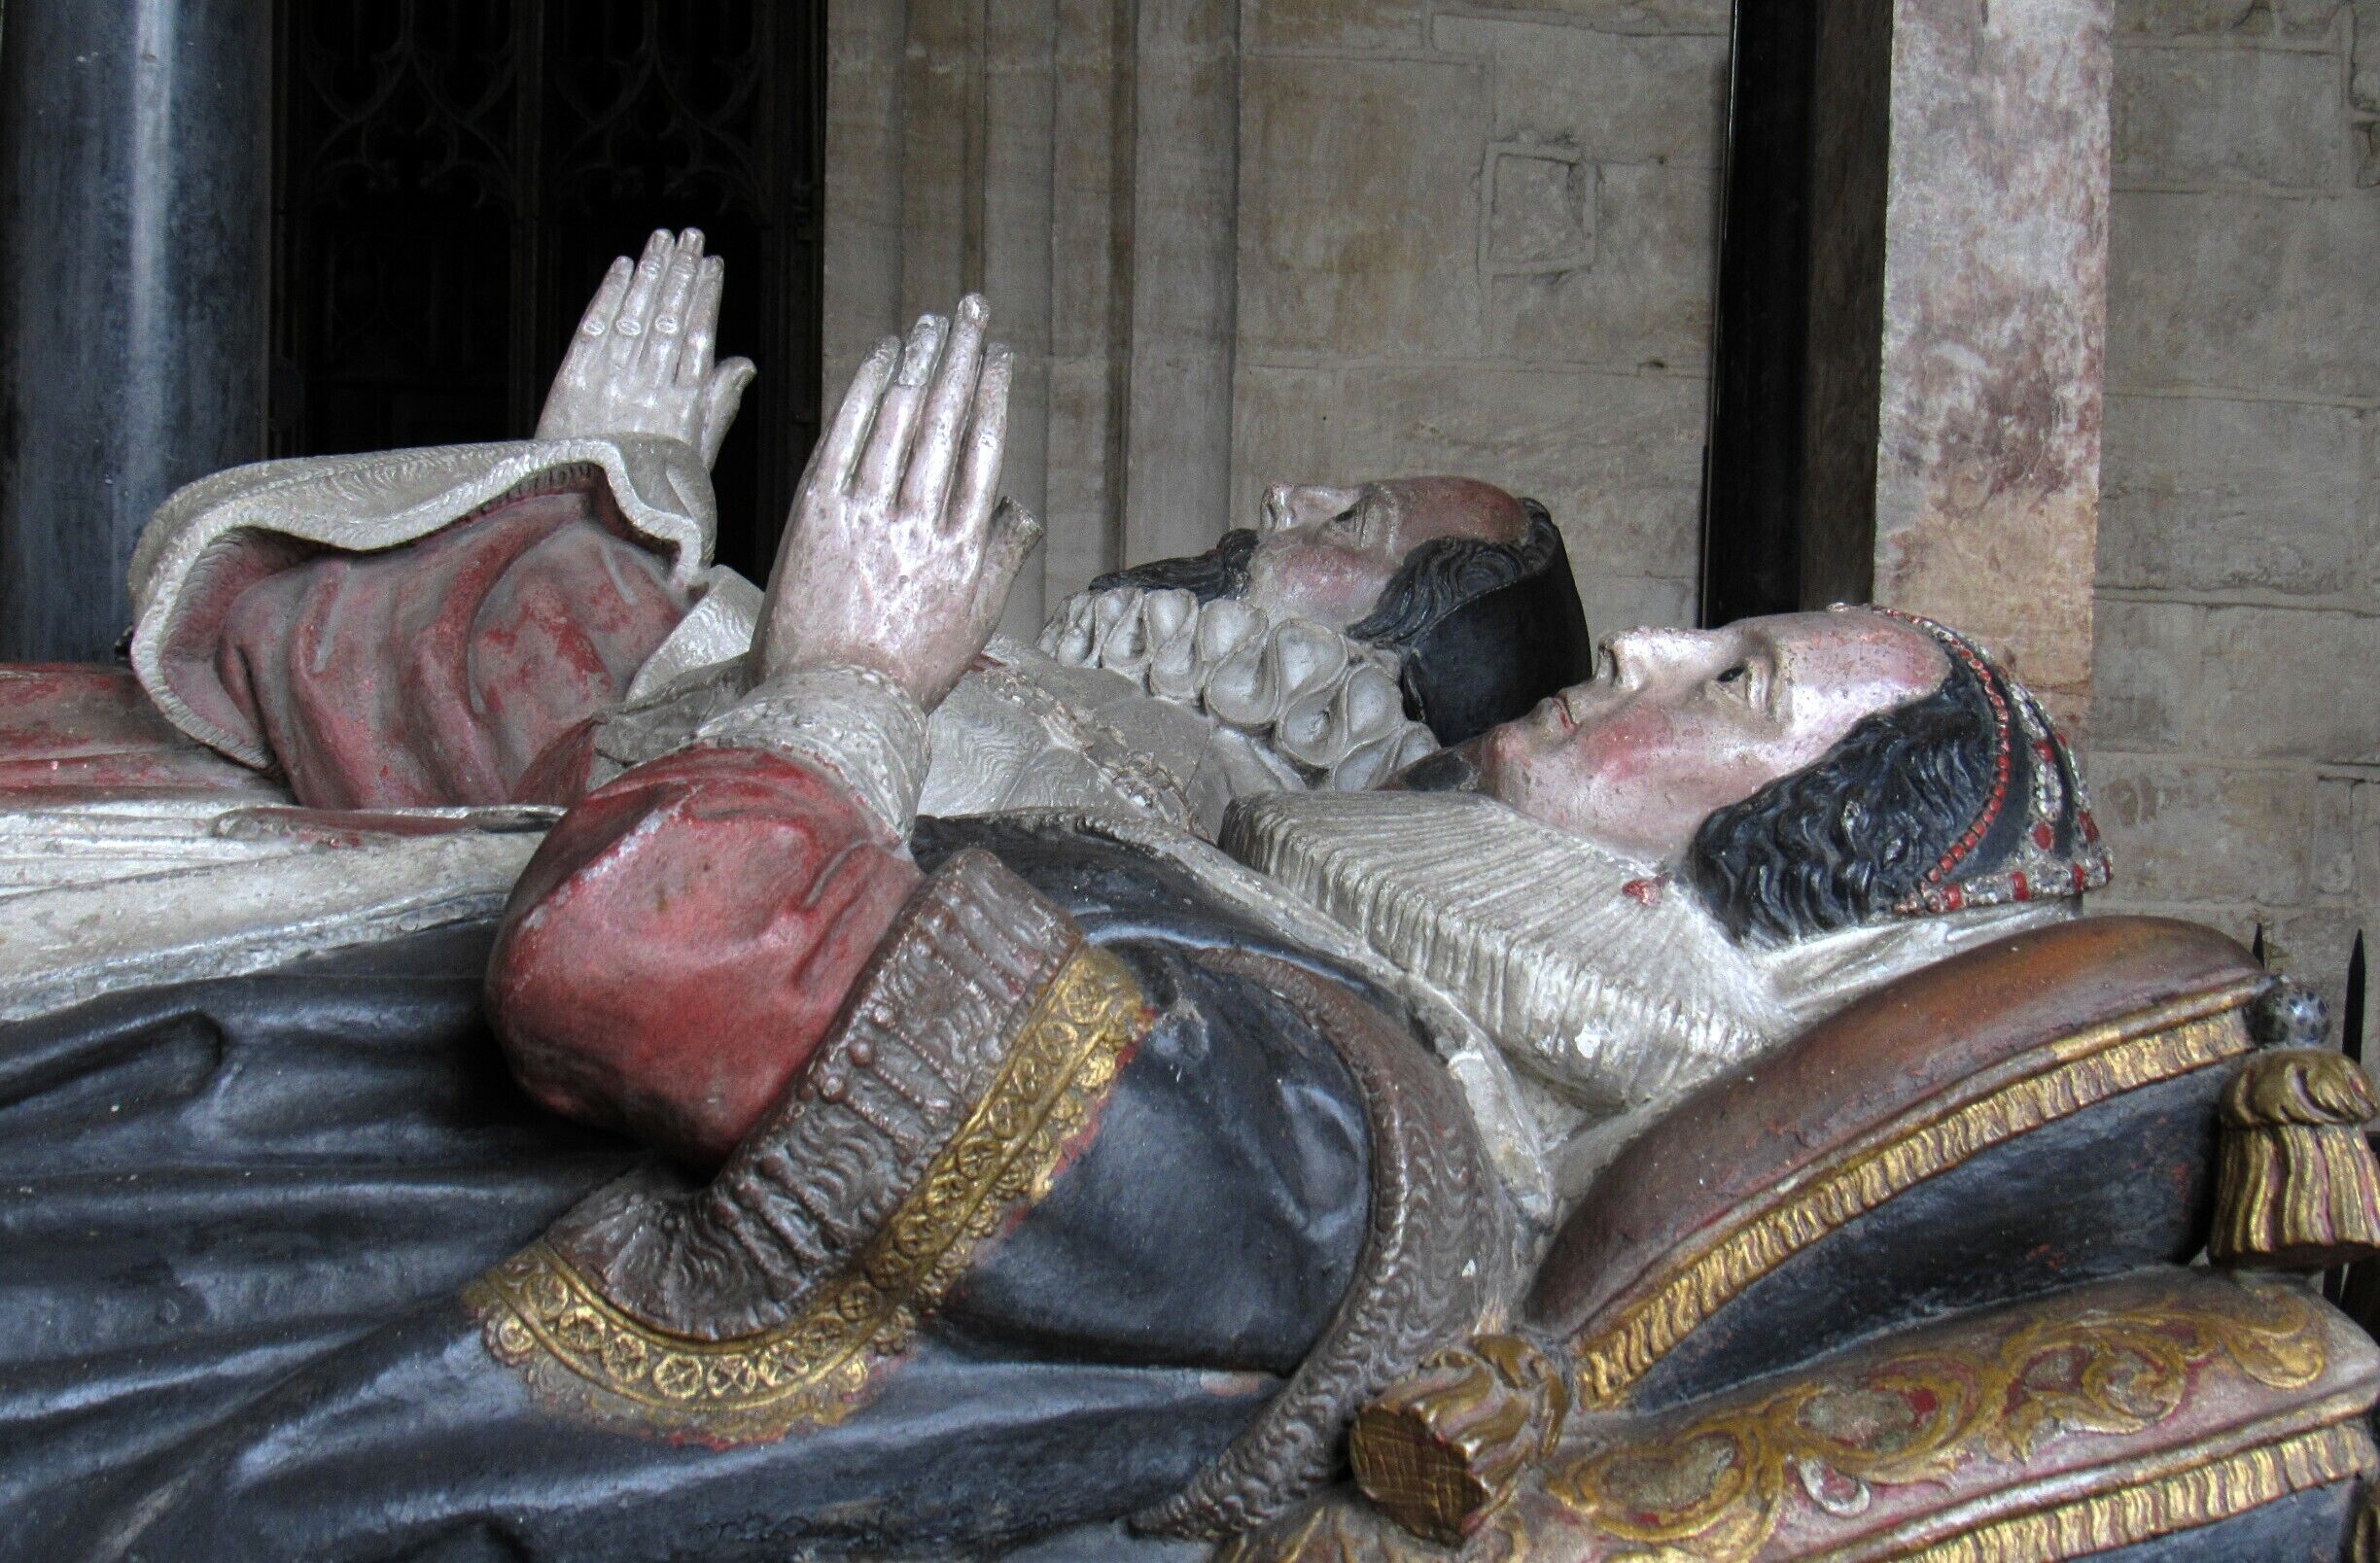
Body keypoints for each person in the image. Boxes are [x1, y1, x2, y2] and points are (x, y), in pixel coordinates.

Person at [0, 292, 2110, 1560]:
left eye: (1733, 682)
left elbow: (659, 962)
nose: (1649, 639)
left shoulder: (1358, 1153)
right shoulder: (1321, 979)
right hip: (218, 1140)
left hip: (193, 1254)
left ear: (1711, 889)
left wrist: (849, 668)